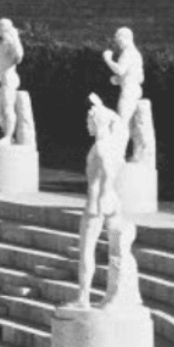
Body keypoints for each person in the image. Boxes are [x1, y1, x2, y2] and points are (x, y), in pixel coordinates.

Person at [75, 95, 130, 301]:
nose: (87, 124)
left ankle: (83, 297)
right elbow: (120, 124)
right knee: (117, 249)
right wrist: (102, 107)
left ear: (97, 122)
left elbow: (106, 168)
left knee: (86, 251)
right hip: (113, 201)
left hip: (97, 202)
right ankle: (116, 294)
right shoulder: (117, 142)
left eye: (89, 121)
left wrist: (104, 192)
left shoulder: (100, 147)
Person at [103, 27, 144, 132]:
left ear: (126, 38)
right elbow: (140, 78)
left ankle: (118, 148)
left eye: (119, 40)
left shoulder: (127, 53)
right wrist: (120, 80)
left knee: (122, 123)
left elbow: (120, 70)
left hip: (129, 91)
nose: (118, 44)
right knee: (128, 125)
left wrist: (108, 59)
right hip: (135, 90)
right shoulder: (137, 54)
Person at [0, 19, 24, 142]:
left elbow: (19, 56)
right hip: (0, 80)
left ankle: (8, 136)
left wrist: (14, 39)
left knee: (7, 108)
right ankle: (8, 135)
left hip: (8, 79)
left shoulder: (11, 42)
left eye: (0, 27)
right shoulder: (1, 42)